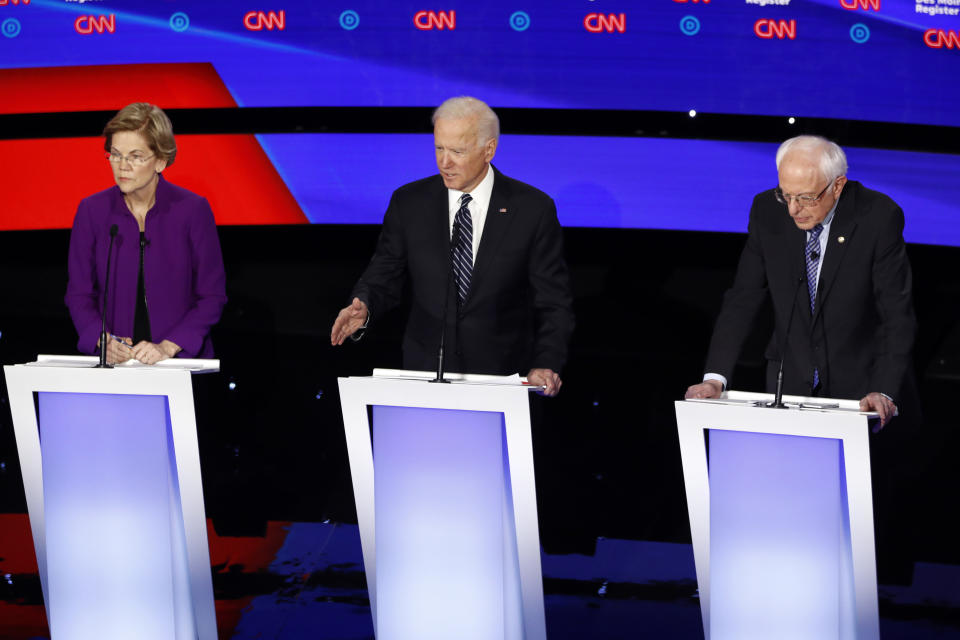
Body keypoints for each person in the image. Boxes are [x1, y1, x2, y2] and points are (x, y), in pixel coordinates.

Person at [331, 96, 574, 395]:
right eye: (439, 148)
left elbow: (553, 303)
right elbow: (385, 272)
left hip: (501, 380)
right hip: (424, 377)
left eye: (457, 151)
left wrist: (546, 362)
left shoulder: (532, 210)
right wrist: (365, 305)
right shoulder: (409, 203)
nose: (444, 162)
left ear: (489, 150)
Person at [685, 135, 916, 427]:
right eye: (786, 194)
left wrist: (883, 388)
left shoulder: (878, 217)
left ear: (838, 185)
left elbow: (896, 314)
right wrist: (715, 378)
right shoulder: (767, 211)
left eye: (806, 198)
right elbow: (743, 297)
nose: (793, 209)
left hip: (861, 390)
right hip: (789, 383)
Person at [65, 103, 227, 364]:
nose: (122, 166)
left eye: (136, 156)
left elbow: (212, 296)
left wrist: (169, 346)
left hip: (178, 362)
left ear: (161, 161)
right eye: (115, 155)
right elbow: (79, 293)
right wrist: (100, 338)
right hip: (115, 364)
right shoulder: (91, 211)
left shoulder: (192, 210)